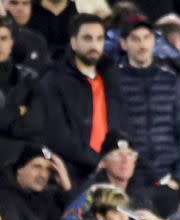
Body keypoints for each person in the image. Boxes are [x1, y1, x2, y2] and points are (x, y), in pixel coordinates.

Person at [42, 14, 129, 181]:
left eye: (99, 39)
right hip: (72, 174)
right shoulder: (54, 80)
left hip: (111, 171)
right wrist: (97, 161)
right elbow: (58, 136)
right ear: (74, 42)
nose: (94, 45)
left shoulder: (111, 78)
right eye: (87, 39)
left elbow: (123, 125)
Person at [117, 14, 180, 195]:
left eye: (147, 38)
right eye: (135, 39)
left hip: (167, 175)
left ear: (154, 40)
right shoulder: (114, 81)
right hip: (129, 176)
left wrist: (179, 177)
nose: (142, 44)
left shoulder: (171, 79)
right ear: (123, 43)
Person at [0, 144, 72, 220]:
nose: (43, 175)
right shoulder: (4, 195)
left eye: (48, 170)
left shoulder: (47, 197)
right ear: (20, 168)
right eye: (37, 167)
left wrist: (67, 188)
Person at [0, 15, 46, 167]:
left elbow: (35, 125)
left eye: (3, 38)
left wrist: (5, 113)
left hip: (19, 159)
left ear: (12, 42)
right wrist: (17, 111)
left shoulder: (28, 79)